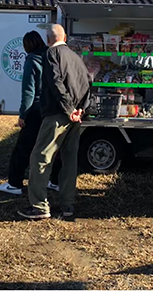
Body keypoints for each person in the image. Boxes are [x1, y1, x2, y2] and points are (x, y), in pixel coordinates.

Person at [18, 24, 91, 220]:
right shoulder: (76, 57)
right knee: (69, 161)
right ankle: (67, 205)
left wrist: (68, 109)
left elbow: (56, 83)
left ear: (48, 39)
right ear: (65, 36)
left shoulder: (51, 55)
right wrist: (80, 109)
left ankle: (40, 206)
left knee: (40, 157)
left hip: (58, 114)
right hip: (76, 116)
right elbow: (87, 83)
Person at [0, 31, 61, 195]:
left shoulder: (32, 60)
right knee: (53, 147)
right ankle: (55, 181)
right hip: (53, 109)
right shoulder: (51, 56)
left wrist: (23, 115)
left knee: (23, 148)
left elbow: (28, 92)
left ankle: (15, 183)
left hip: (36, 110)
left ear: (27, 46)